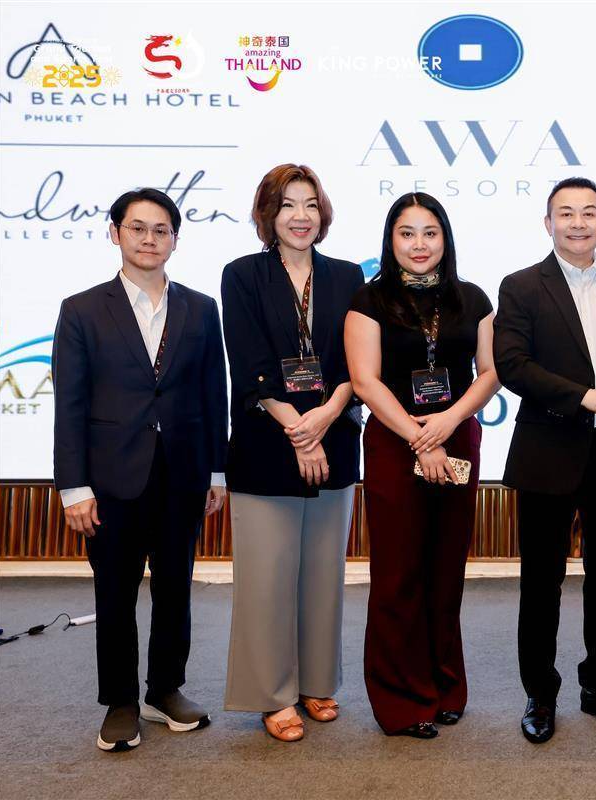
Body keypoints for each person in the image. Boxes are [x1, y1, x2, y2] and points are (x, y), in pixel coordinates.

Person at [52, 187, 228, 752]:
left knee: (175, 591)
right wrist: (73, 486)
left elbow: (214, 395)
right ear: (115, 233)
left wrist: (216, 472)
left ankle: (165, 690)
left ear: (175, 240)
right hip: (110, 480)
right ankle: (121, 702)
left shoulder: (201, 308)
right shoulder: (81, 309)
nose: (150, 239)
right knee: (115, 595)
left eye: (161, 230)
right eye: (138, 228)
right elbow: (70, 405)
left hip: (183, 476)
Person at [493, 177, 596, 744]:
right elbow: (513, 365)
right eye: (566, 213)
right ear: (548, 222)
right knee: (541, 581)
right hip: (548, 449)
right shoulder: (521, 286)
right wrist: (584, 396)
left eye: (589, 212)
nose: (578, 222)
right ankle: (540, 692)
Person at [345, 192, 498, 739]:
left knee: (446, 569)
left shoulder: (472, 297)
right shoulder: (368, 300)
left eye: (429, 232)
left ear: (445, 239)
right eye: (406, 233)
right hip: (394, 443)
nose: (418, 244)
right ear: (391, 239)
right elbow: (365, 382)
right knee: (398, 573)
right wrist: (419, 437)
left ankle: (444, 685)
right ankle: (400, 699)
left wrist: (448, 423)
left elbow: (489, 372)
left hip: (457, 438)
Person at [220, 165, 363, 742]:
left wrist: (324, 418)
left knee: (324, 574)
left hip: (335, 438)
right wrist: (298, 429)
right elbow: (249, 361)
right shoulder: (242, 275)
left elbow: (358, 363)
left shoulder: (348, 276)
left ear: (322, 213)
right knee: (268, 577)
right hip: (266, 442)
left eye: (309, 204)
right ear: (268, 214)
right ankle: (272, 694)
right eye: (287, 205)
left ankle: (316, 682)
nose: (300, 216)